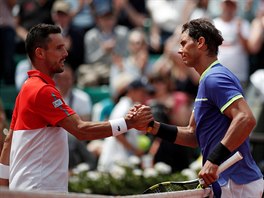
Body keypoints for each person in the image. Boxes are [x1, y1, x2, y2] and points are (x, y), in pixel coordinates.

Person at [0, 23, 152, 193]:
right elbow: (81, 130)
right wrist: (128, 124)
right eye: (59, 48)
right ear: (40, 53)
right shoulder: (42, 90)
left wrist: (3, 187)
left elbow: (8, 143)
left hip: (29, 190)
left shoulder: (27, 89)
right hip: (39, 190)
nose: (65, 53)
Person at [140, 18, 264, 197]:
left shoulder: (215, 78)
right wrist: (151, 127)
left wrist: (214, 159)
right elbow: (192, 135)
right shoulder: (207, 80)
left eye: (183, 43)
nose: (179, 49)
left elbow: (246, 118)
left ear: (200, 43)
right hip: (229, 184)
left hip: (237, 184)